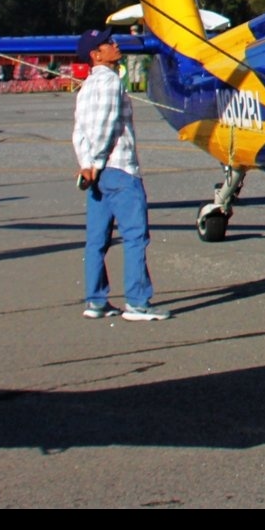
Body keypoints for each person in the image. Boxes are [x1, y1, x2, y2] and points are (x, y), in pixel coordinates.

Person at [73, 27, 170, 321]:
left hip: (96, 172)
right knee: (135, 236)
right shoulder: (110, 82)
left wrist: (86, 163)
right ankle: (138, 303)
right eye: (108, 43)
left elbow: (79, 131)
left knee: (96, 239)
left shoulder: (86, 86)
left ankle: (96, 300)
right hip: (119, 168)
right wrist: (98, 161)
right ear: (96, 55)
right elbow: (106, 123)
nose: (115, 45)